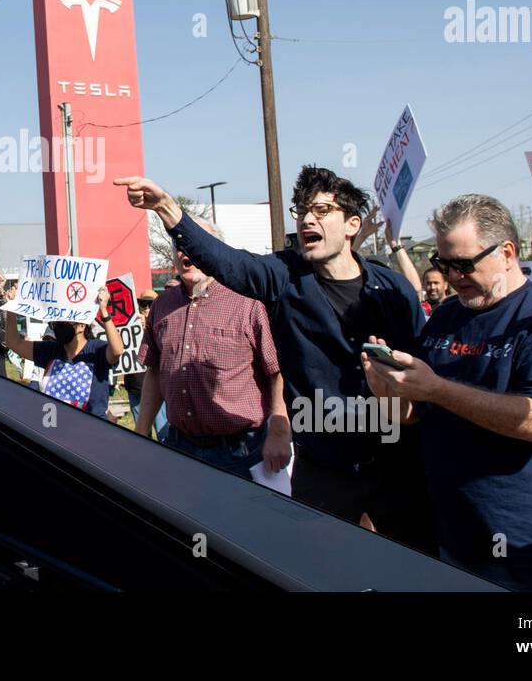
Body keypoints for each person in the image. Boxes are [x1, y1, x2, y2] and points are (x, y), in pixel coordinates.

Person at [116, 166, 436, 553]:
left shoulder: (392, 289)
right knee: (318, 566)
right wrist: (167, 208)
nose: (307, 219)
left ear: (352, 224)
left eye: (321, 210)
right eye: (301, 210)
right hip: (323, 468)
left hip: (394, 462)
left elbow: (426, 373)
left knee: (412, 565)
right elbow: (227, 261)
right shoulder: (284, 276)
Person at [363, 194, 532, 591]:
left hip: (530, 550)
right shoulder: (446, 319)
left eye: (464, 264)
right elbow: (417, 414)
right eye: (444, 264)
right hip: (456, 538)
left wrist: (437, 389)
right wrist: (389, 391)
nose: (453, 277)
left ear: (508, 252)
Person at [135, 220, 289, 481]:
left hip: (241, 453)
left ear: (213, 249)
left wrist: (279, 432)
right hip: (180, 447)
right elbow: (155, 372)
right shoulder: (161, 306)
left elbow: (277, 373)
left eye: (194, 242)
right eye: (179, 244)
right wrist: (140, 431)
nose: (186, 250)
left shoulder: (248, 302)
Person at [3, 287, 124, 418]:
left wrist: (104, 311)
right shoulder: (51, 350)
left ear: (81, 326)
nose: (59, 326)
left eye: (65, 321)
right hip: (54, 427)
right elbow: (13, 342)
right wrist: (12, 307)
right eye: (57, 322)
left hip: (90, 431)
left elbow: (117, 350)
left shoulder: (96, 349)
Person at [123, 289, 167, 436]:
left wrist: (147, 327)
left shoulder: (163, 325)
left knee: (164, 433)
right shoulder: (130, 326)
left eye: (151, 304)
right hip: (134, 387)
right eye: (143, 304)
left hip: (157, 389)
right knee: (142, 435)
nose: (147, 308)